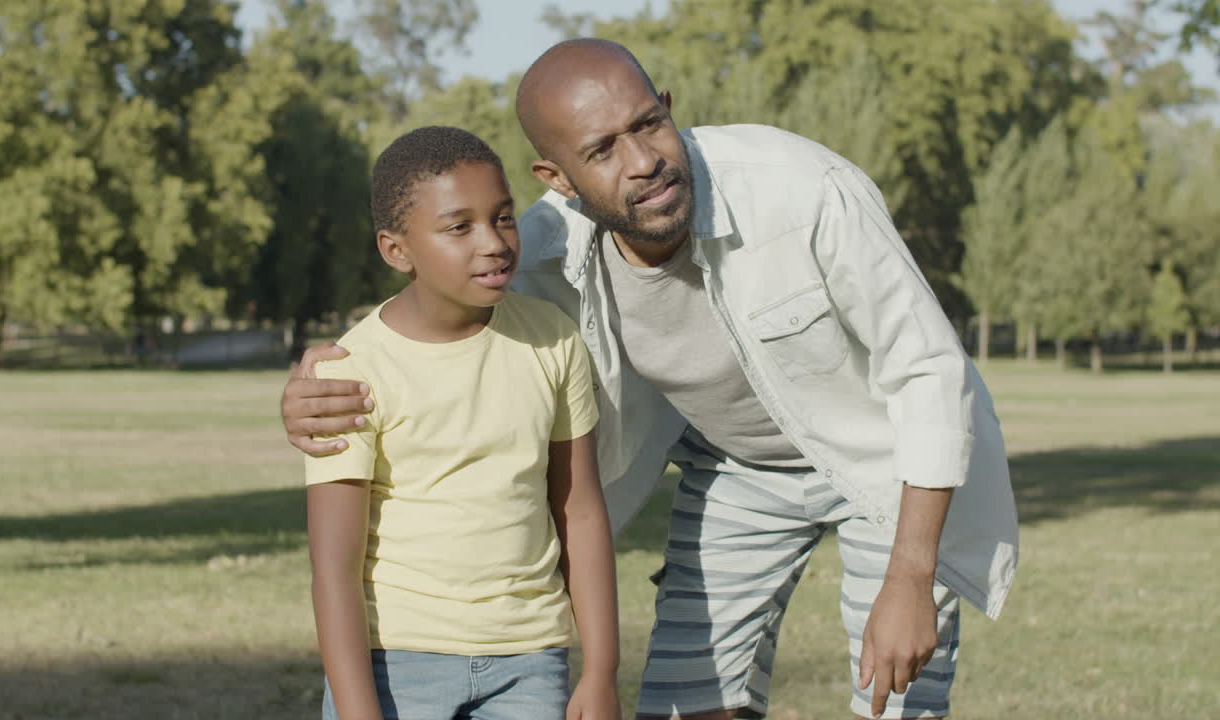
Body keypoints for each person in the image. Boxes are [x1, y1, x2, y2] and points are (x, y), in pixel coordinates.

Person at [284, 39, 1018, 720]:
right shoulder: (534, 252)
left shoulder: (804, 190)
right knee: (684, 706)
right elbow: (422, 316)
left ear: (668, 107)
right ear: (558, 179)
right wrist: (318, 375)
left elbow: (929, 371)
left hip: (891, 466)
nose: (642, 161)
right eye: (601, 150)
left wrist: (912, 576)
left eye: (649, 124)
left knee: (895, 701)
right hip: (740, 471)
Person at [304, 125, 621, 720]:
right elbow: (334, 568)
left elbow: (579, 509)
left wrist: (601, 670)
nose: (494, 242)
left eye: (503, 217)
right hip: (397, 663)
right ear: (396, 250)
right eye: (459, 227)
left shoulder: (553, 340)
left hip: (531, 661)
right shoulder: (351, 371)